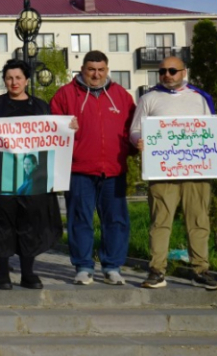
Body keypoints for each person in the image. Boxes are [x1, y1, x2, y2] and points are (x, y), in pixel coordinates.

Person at [130, 56, 217, 290]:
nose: (167, 74)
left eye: (172, 70)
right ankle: (156, 271)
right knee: (160, 221)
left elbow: (212, 130)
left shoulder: (200, 98)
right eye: (163, 70)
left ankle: (200, 270)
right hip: (161, 171)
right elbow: (135, 129)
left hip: (196, 172)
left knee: (198, 221)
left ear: (184, 72)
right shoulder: (148, 98)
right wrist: (138, 140)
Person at [0, 60, 67, 290]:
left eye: (18, 78)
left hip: (33, 178)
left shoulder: (40, 106)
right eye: (9, 78)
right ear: (4, 80)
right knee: (0, 223)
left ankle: (28, 273)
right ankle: (2, 273)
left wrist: (68, 127)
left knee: (30, 223)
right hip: (1, 176)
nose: (14, 82)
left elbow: (53, 136)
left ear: (27, 80)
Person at [51, 50, 136, 286]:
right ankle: (84, 266)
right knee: (80, 219)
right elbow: (52, 128)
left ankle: (112, 267)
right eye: (91, 70)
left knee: (116, 219)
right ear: (82, 70)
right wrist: (65, 129)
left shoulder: (121, 96)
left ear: (107, 70)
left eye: (100, 70)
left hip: (114, 169)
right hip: (79, 169)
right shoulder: (66, 95)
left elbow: (134, 129)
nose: (96, 74)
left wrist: (137, 147)